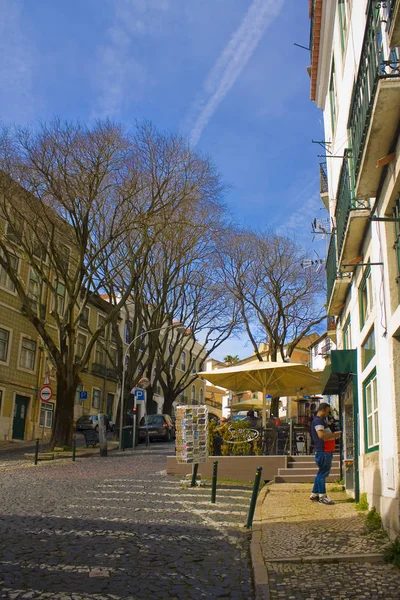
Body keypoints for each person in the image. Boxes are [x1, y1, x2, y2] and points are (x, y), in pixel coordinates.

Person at [310, 402, 341, 505]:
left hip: (322, 450)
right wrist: (334, 434)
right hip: (324, 450)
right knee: (323, 473)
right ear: (322, 410)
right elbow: (321, 435)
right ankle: (322, 496)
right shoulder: (319, 421)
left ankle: (314, 493)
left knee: (320, 472)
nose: (328, 414)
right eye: (327, 412)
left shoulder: (319, 420)